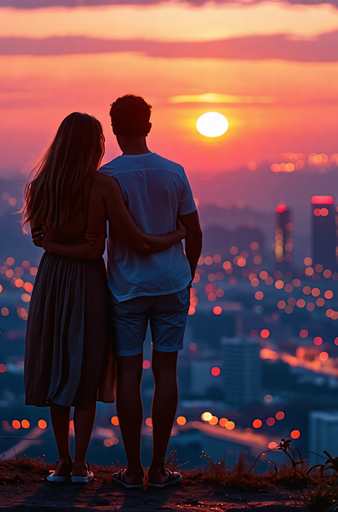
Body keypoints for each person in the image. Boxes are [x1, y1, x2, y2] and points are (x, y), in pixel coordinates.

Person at [22, 112, 185, 484]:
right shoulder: (101, 185)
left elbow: (40, 238)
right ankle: (80, 464)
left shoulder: (38, 186)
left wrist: (52, 244)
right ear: (95, 144)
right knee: (85, 367)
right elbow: (105, 248)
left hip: (51, 280)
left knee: (57, 364)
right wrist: (175, 237)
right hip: (86, 283)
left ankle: (62, 462)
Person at [96, 95, 203, 489]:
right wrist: (185, 274)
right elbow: (195, 233)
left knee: (129, 371)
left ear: (114, 129)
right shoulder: (175, 172)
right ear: (149, 127)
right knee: (166, 370)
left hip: (126, 287)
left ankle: (133, 470)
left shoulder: (107, 177)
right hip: (171, 283)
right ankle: (159, 470)